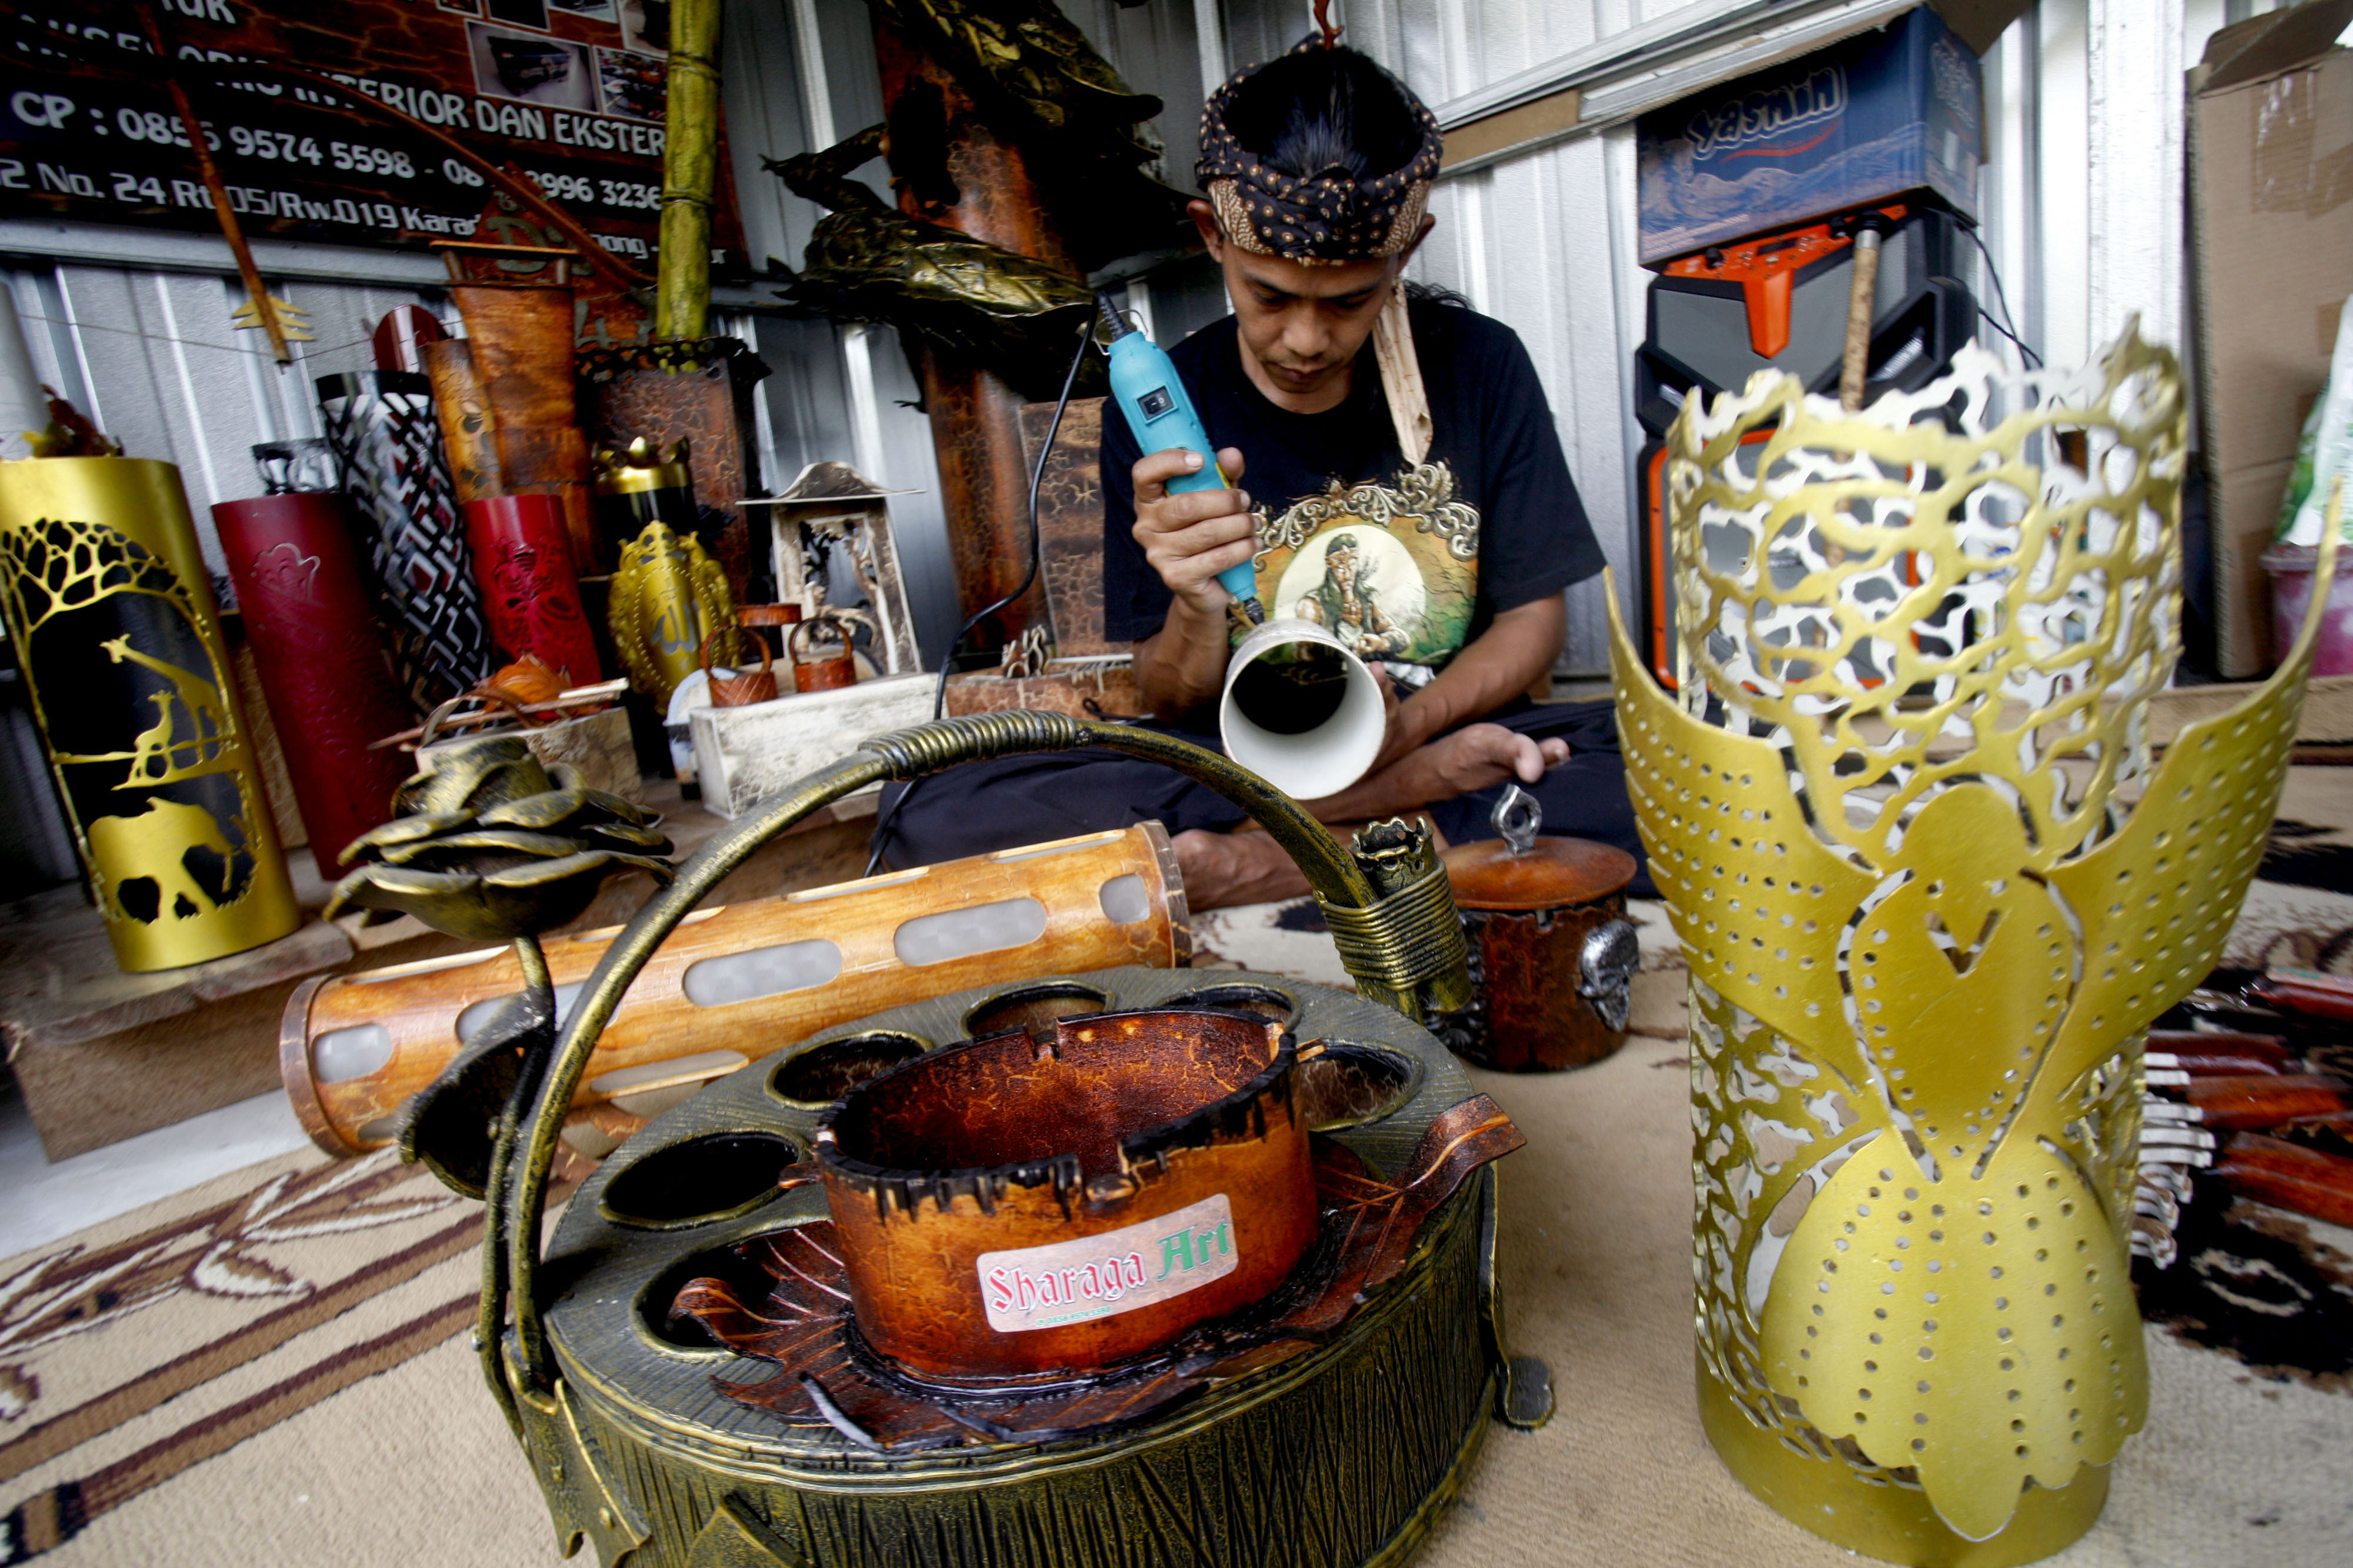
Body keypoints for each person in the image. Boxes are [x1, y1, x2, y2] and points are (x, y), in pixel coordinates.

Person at [877, 36, 1648, 906]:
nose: (1307, 340)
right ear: (1212, 234)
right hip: (1242, 761)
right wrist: (1198, 604)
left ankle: (1261, 858)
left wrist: (1412, 736)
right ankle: (1400, 826)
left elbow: (1534, 622)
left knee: (1682, 784)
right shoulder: (1161, 404)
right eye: (1272, 295)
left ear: (1404, 253)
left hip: (1445, 731)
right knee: (933, 808)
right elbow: (1170, 698)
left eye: (1350, 300)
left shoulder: (1479, 364)